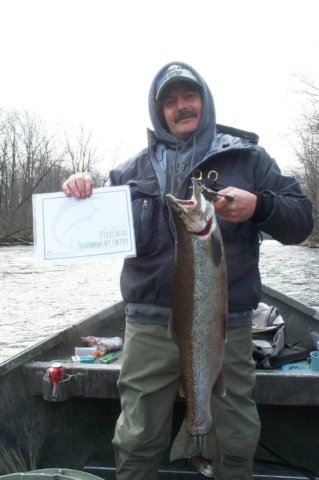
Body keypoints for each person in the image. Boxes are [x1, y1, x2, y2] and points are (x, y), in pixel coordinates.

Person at [62, 62, 313, 480]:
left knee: (235, 438)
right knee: (137, 437)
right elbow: (85, 232)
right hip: (147, 324)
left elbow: (301, 220)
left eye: (188, 97)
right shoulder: (130, 172)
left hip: (225, 324)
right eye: (170, 101)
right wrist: (80, 194)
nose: (181, 107)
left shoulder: (248, 158)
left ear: (205, 100)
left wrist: (261, 206)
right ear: (158, 111)